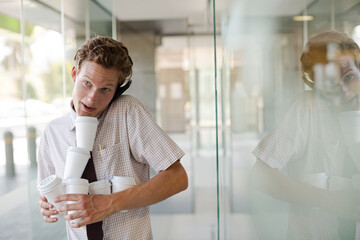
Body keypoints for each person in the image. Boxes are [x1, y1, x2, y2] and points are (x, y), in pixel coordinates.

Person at [37, 36, 188, 239]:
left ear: (117, 90)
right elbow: (47, 192)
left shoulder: (128, 112)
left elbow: (177, 178)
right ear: (75, 74)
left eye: (105, 89)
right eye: (87, 83)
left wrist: (108, 204)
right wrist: (46, 205)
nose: (92, 98)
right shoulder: (52, 133)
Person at [251, 31, 360, 240]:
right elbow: (261, 176)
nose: (344, 91)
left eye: (349, 76)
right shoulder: (306, 110)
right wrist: (328, 200)